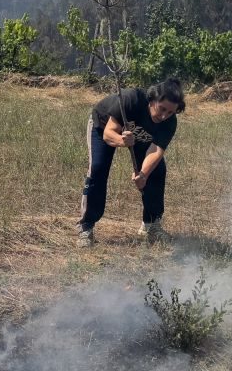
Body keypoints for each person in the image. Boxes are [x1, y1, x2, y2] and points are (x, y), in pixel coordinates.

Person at [76, 79, 186, 247]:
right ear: (152, 100)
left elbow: (155, 150)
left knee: (157, 172)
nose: (164, 116)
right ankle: (86, 227)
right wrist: (121, 140)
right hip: (103, 127)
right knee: (98, 169)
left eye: (170, 112)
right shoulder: (131, 99)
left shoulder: (169, 123)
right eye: (162, 109)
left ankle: (150, 225)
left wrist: (143, 174)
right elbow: (108, 133)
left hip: (138, 137)